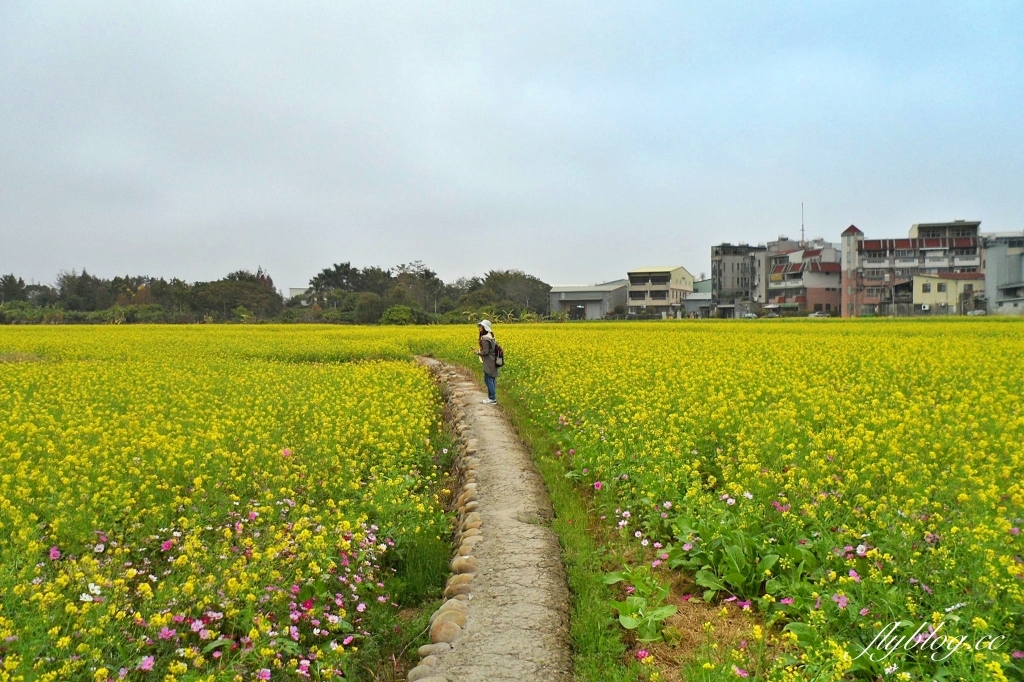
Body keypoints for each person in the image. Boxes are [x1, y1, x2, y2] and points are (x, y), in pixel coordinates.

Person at [472, 319, 499, 404]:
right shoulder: (491, 336)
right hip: (493, 360)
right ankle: (491, 398)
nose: (479, 328)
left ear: (484, 327)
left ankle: (492, 398)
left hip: (489, 361)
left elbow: (486, 352)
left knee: (488, 379)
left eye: (480, 326)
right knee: (491, 379)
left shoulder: (485, 338)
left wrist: (477, 352)